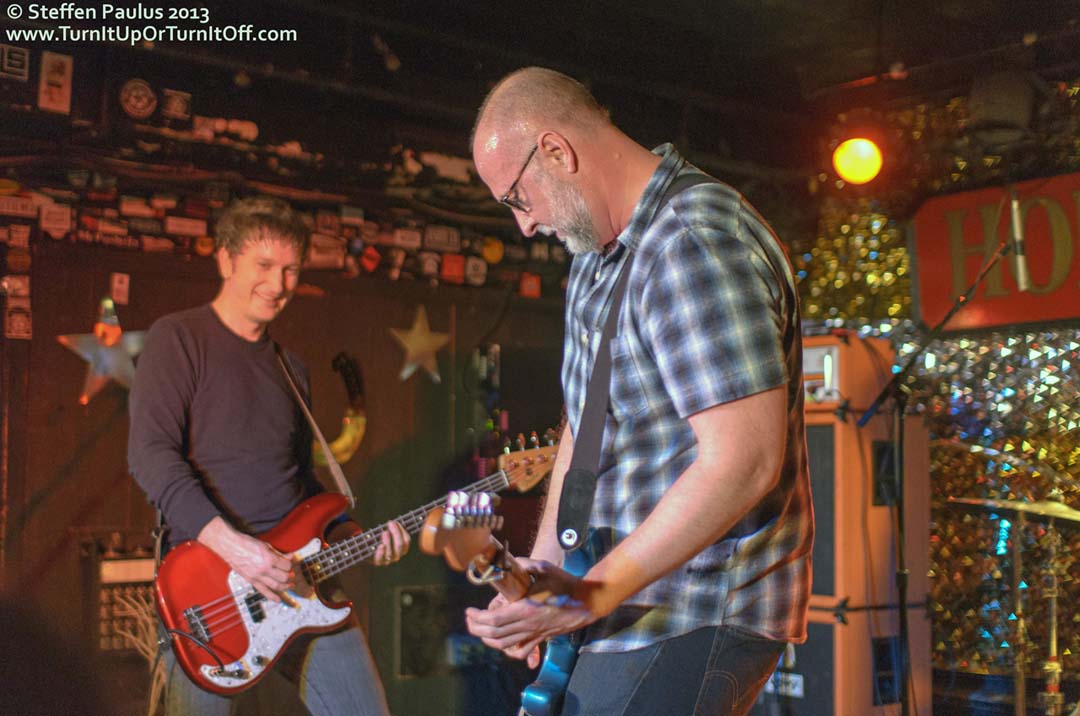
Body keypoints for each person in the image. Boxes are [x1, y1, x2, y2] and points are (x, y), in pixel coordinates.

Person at [464, 68, 813, 715]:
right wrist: (546, 577)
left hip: (699, 607)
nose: (525, 225)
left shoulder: (694, 238)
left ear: (557, 152)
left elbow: (745, 461)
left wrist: (587, 597)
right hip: (628, 603)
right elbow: (583, 429)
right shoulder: (597, 259)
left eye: (516, 197)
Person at [128, 196, 409, 716]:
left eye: (290, 270)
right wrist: (240, 551)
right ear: (226, 260)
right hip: (209, 589)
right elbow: (151, 456)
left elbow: (302, 485)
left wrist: (357, 537)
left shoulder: (290, 370)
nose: (278, 285)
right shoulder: (180, 339)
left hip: (303, 582)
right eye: (263, 265)